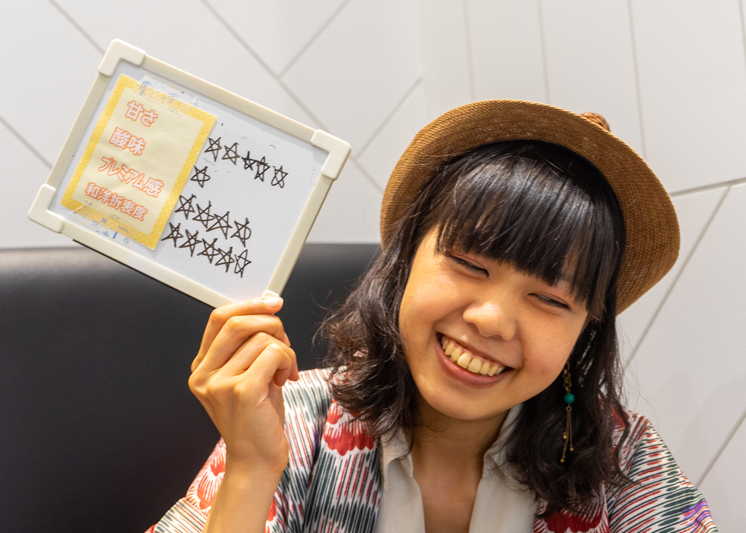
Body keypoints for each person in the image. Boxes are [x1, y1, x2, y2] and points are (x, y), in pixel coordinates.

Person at [148, 100, 718, 533]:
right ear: (405, 260)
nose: (492, 320)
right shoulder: (292, 421)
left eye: (550, 299)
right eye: (470, 264)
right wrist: (251, 467)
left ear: (587, 326)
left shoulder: (622, 460)